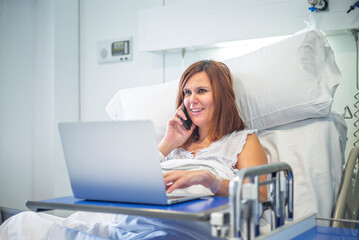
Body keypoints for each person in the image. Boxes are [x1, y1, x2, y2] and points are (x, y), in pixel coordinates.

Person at [0, 60, 268, 239]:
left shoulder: (241, 141)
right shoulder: (173, 147)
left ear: (221, 95)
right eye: (186, 93)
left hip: (176, 233)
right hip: (128, 229)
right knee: (21, 224)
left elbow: (263, 192)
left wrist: (208, 179)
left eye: (201, 91)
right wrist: (168, 143)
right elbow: (130, 184)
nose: (191, 100)